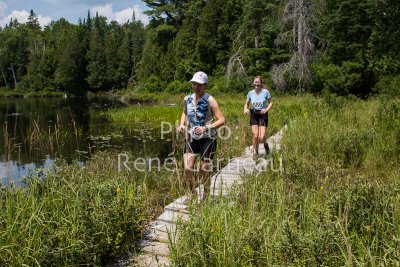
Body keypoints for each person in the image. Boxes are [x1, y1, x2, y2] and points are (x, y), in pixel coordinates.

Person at [178, 71, 225, 203]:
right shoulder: (187, 99)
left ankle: (206, 193)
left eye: (199, 85)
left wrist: (206, 127)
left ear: (205, 85)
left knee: (204, 169)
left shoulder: (210, 100)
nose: (196, 87)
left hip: (208, 138)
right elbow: (185, 113)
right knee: (188, 168)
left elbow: (222, 120)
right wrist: (182, 124)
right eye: (194, 84)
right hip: (191, 137)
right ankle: (191, 193)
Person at [244, 76, 273, 160]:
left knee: (262, 136)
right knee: (255, 135)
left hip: (263, 114)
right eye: (255, 82)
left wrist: (266, 109)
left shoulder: (265, 92)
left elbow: (271, 102)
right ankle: (256, 153)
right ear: (253, 83)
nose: (257, 84)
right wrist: (245, 108)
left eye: (258, 82)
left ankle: (265, 145)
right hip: (254, 114)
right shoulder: (250, 93)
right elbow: (246, 103)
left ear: (261, 83)